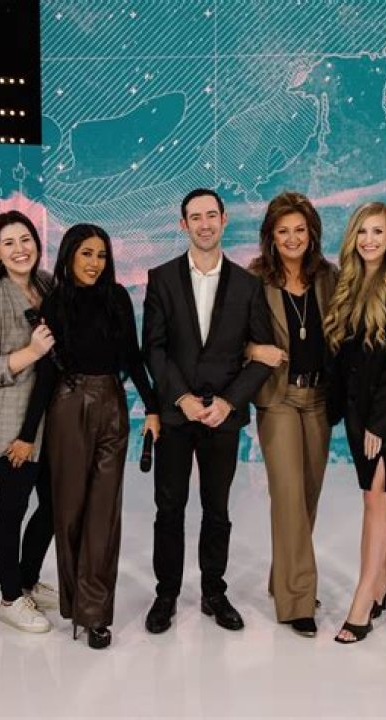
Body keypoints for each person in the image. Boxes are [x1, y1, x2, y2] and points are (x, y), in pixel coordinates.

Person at [10, 223, 160, 650]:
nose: (95, 263)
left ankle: (94, 615)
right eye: (86, 254)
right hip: (68, 405)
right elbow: (46, 372)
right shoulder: (56, 302)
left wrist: (151, 407)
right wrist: (26, 434)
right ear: (70, 256)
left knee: (104, 513)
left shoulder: (117, 298)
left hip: (112, 405)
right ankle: (75, 604)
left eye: (101, 255)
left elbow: (132, 358)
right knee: (70, 511)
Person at [142, 188, 273, 635]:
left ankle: (214, 592)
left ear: (223, 219)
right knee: (169, 509)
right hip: (177, 416)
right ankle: (166, 594)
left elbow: (262, 354)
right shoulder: (161, 278)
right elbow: (154, 348)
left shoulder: (248, 285)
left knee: (217, 509)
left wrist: (229, 401)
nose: (204, 224)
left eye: (211, 215)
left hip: (222, 416)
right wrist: (180, 398)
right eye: (195, 217)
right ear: (183, 224)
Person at [324, 201, 386, 644]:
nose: (369, 240)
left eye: (378, 232)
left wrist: (378, 425)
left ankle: (364, 598)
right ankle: (384, 579)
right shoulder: (347, 285)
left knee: (373, 497)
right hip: (357, 411)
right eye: (362, 232)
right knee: (378, 495)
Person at [245, 191, 337, 637]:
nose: (293, 238)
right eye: (283, 231)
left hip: (319, 397)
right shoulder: (254, 279)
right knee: (287, 494)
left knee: (307, 494)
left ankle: (283, 577)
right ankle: (298, 599)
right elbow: (231, 335)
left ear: (312, 233)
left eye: (300, 230)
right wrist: (253, 350)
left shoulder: (329, 277)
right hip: (278, 397)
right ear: (271, 236)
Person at [0, 210, 58, 633]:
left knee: (53, 506)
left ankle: (27, 580)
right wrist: (31, 353)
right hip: (10, 426)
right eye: (9, 243)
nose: (20, 249)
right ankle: (9, 597)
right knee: (13, 507)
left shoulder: (47, 285)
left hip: (50, 420)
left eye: (26, 240)